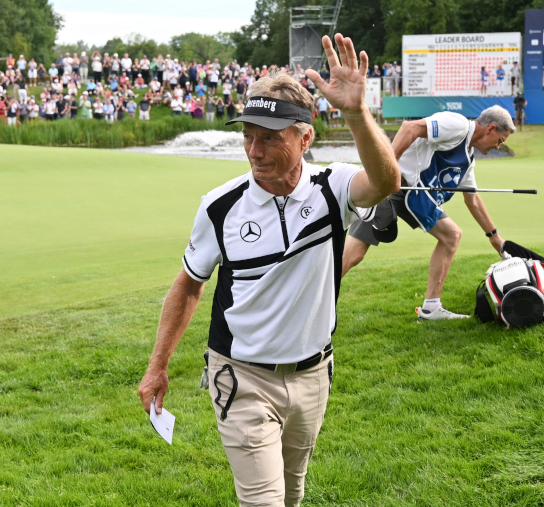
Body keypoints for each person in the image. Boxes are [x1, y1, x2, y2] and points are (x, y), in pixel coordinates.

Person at [137, 33, 399, 507]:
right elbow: (189, 285)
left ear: (305, 138)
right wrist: (157, 366)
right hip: (241, 377)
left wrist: (358, 114)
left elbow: (384, 182)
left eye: (270, 138)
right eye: (248, 137)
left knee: (292, 491)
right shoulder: (220, 207)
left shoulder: (331, 188)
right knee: (263, 500)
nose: (255, 151)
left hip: (314, 373)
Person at [342, 106, 516, 319]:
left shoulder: (467, 158)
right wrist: (387, 172)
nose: (498, 146)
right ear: (490, 129)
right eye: (500, 140)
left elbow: (472, 199)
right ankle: (312, 298)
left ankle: (431, 308)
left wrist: (495, 238)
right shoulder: (458, 125)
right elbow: (409, 128)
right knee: (353, 255)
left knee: (451, 235)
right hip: (394, 187)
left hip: (416, 198)